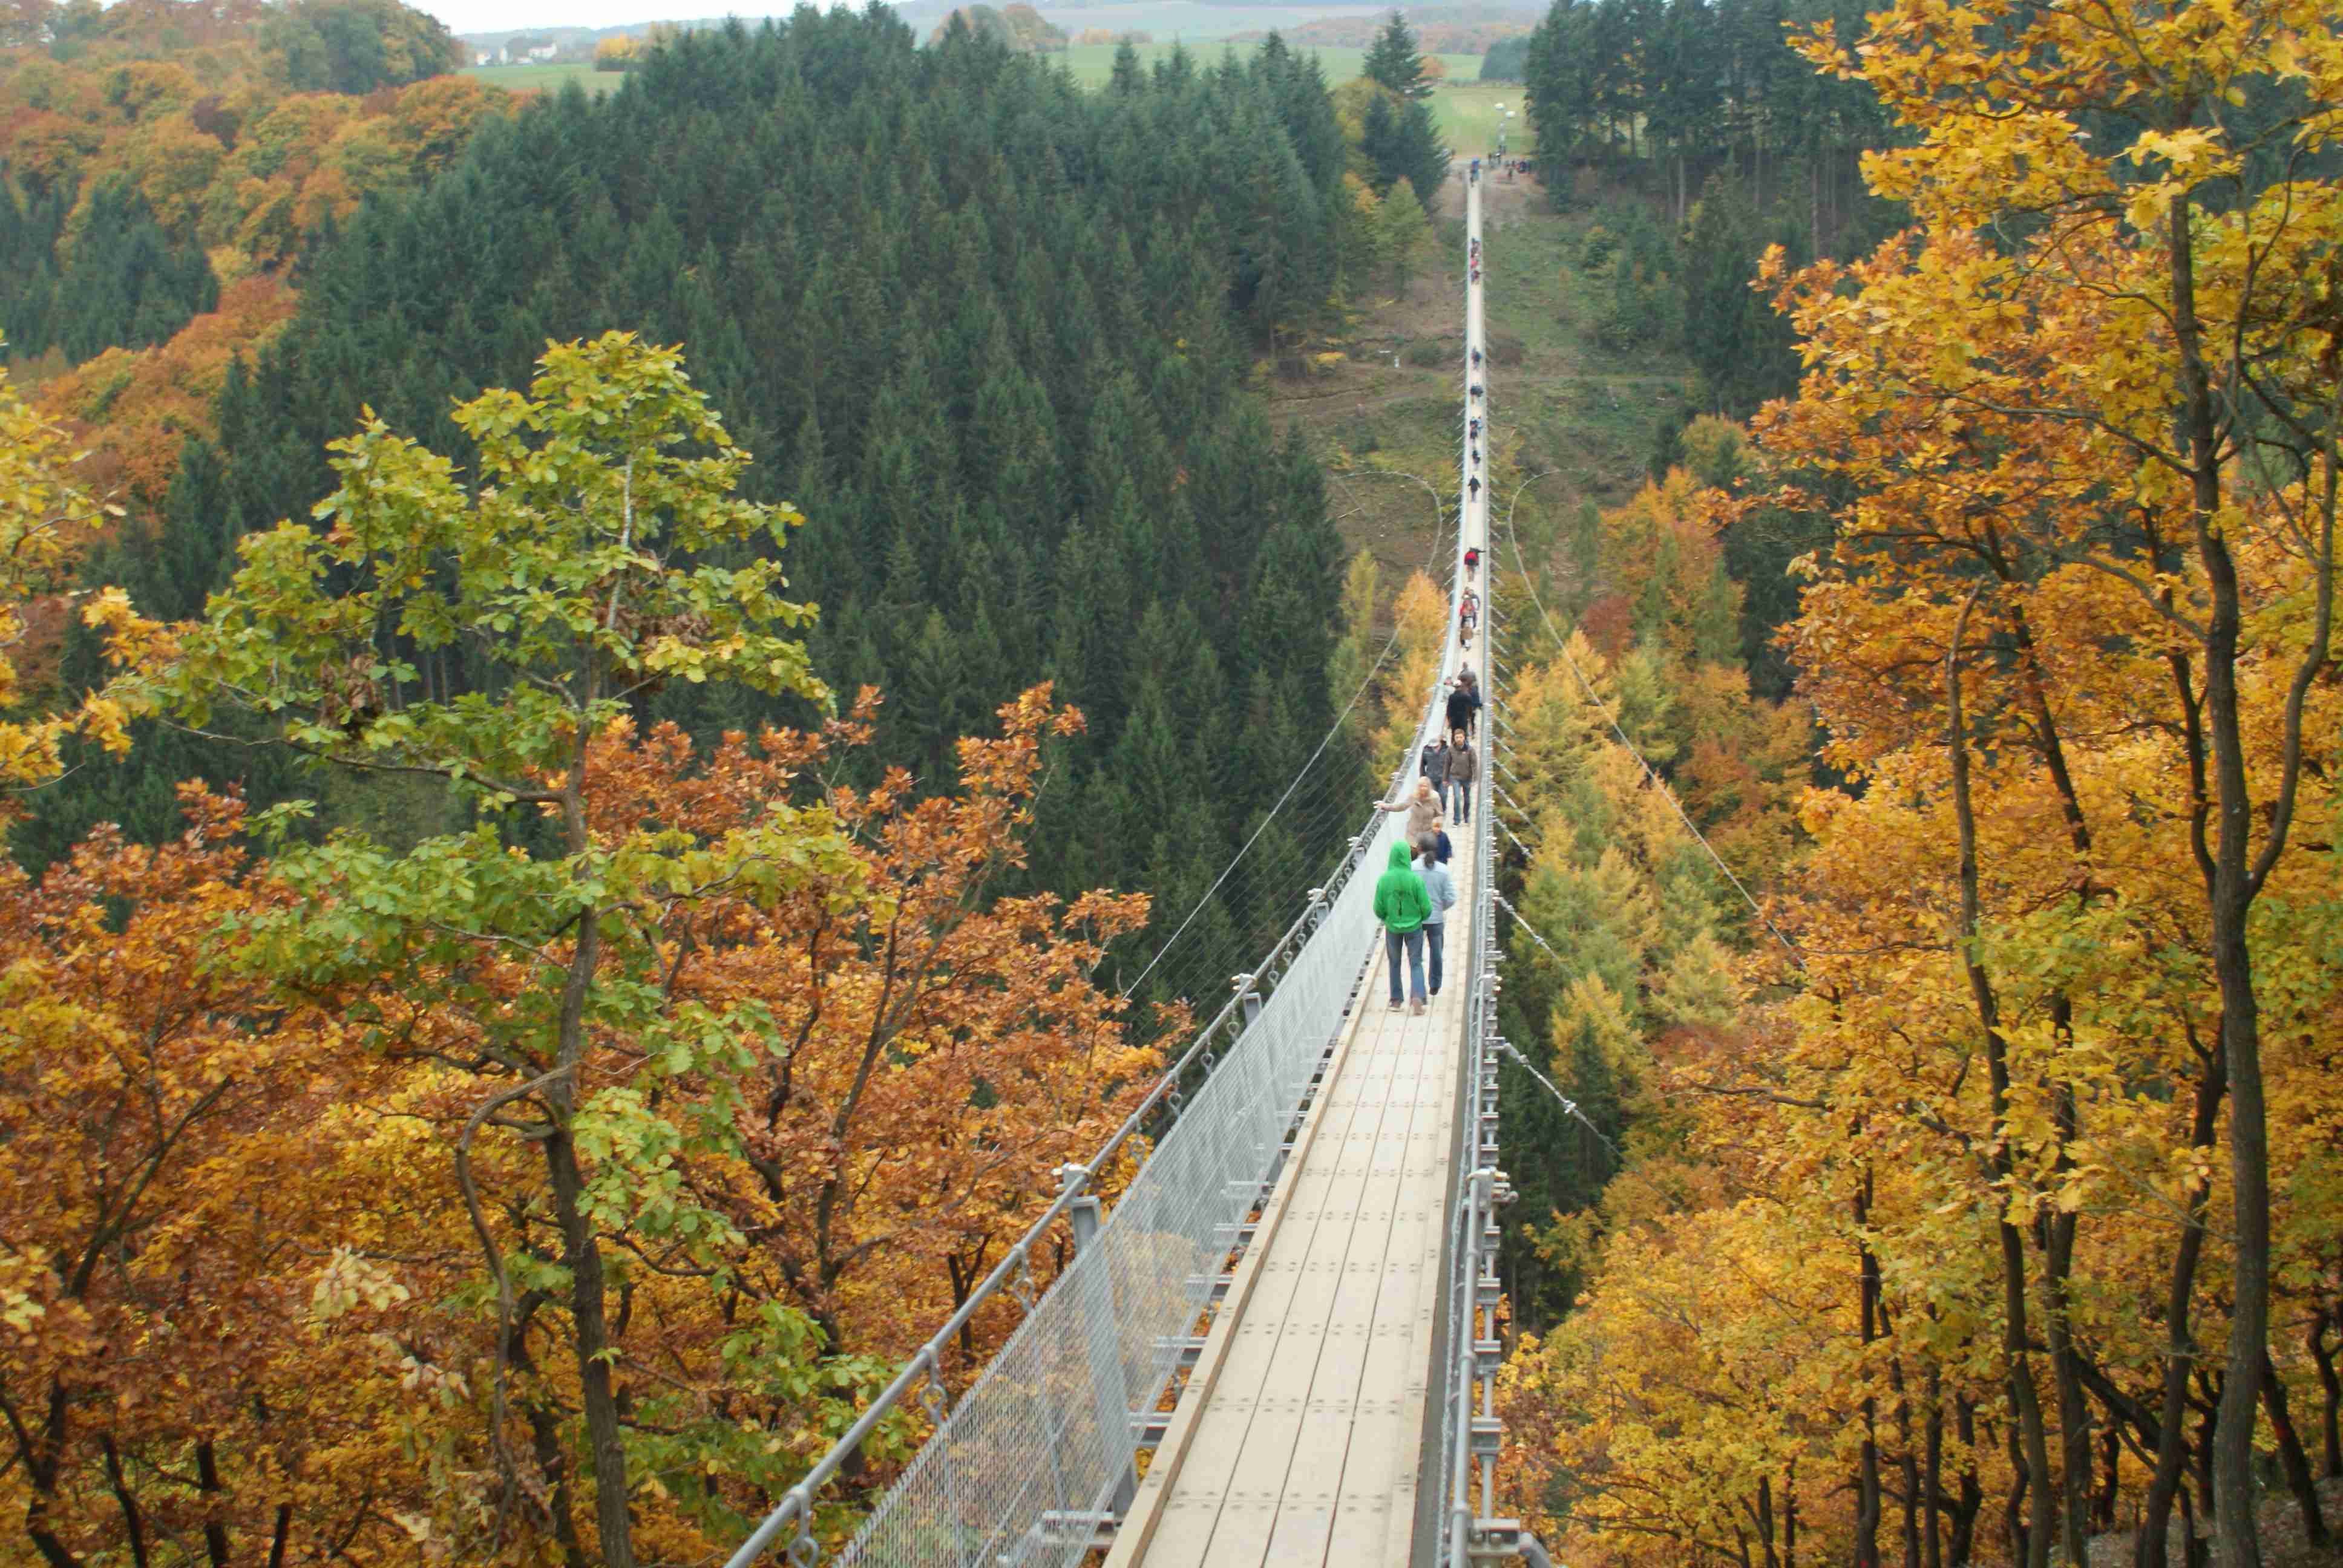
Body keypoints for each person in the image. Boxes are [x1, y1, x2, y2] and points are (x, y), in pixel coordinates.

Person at [1372, 839, 1432, 1014]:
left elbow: (1378, 908)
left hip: (1393, 928)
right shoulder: (1415, 880)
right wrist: (1420, 918)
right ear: (1407, 857)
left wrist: (1388, 918)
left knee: (1394, 963)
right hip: (1414, 927)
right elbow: (1426, 907)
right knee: (1415, 962)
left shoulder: (1384, 880)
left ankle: (1396, 1001)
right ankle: (1418, 997)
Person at [1415, 835, 1456, 997]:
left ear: (1419, 849)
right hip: (1436, 918)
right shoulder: (1443, 870)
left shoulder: (1411, 868)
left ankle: (1417, 986)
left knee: (1415, 954)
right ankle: (1435, 984)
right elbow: (1451, 898)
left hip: (1416, 919)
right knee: (1437, 951)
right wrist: (1440, 907)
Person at [1375, 775, 1441, 843]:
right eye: (1421, 786)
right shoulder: (1414, 797)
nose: (1423, 788)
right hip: (1412, 835)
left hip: (1427, 836)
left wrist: (1436, 829)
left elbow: (1439, 815)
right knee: (1411, 852)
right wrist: (1385, 806)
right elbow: (1402, 806)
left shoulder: (1435, 798)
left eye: (1425, 786)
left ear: (1429, 787)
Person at [1445, 727, 1476, 824]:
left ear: (1464, 738)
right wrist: (1445, 779)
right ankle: (1457, 820)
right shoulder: (1451, 750)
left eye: (1461, 737)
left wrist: (1474, 779)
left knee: (1467, 799)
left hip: (1467, 777)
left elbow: (1474, 764)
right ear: (1454, 738)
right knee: (1457, 798)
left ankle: (1466, 817)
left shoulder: (1470, 750)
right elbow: (1447, 764)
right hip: (1455, 778)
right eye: (1457, 737)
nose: (1459, 739)